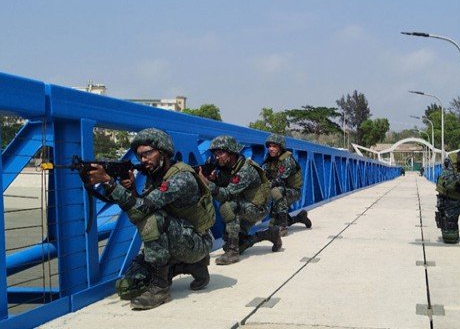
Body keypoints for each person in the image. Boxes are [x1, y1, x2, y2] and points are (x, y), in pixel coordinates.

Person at [81, 128, 215, 310]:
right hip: (182, 237)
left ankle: (160, 289)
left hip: (197, 242)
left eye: (148, 153)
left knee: (152, 220)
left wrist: (109, 183)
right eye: (140, 156)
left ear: (164, 152)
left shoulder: (181, 178)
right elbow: (140, 205)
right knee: (131, 283)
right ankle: (193, 267)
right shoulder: (156, 177)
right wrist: (131, 191)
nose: (144, 160)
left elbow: (144, 210)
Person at [198, 135, 282, 265]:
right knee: (238, 242)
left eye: (220, 153)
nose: (217, 157)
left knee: (228, 206)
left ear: (231, 153)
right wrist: (215, 180)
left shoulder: (245, 170)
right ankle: (270, 234)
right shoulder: (228, 166)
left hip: (258, 208)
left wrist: (208, 184)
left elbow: (226, 194)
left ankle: (233, 252)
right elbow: (226, 184)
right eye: (215, 154)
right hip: (246, 203)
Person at [262, 134, 311, 236]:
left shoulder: (287, 159)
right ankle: (300, 217)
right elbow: (262, 173)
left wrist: (265, 186)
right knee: (273, 223)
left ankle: (283, 227)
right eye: (269, 146)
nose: (271, 149)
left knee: (277, 191)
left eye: (274, 146)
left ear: (280, 148)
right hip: (281, 190)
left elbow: (280, 179)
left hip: (293, 191)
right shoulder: (270, 160)